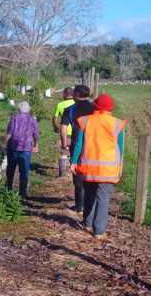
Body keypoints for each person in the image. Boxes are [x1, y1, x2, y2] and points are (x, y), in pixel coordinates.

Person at [70, 94, 125, 239]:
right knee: (103, 198)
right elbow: (120, 148)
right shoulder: (118, 124)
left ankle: (87, 223)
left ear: (95, 106)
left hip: (88, 167)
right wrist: (120, 166)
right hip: (108, 168)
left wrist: (73, 161)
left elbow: (79, 144)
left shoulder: (85, 121)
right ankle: (99, 231)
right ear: (111, 108)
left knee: (89, 193)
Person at [60, 85, 95, 217]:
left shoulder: (70, 109)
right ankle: (90, 204)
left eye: (74, 93)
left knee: (78, 174)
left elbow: (63, 128)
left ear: (77, 94)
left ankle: (80, 206)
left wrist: (64, 144)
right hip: (93, 144)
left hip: (76, 143)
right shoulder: (94, 108)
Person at [3, 101, 40, 198]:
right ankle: (22, 192)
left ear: (19, 109)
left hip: (13, 147)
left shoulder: (14, 118)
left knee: (11, 167)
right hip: (26, 149)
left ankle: (8, 187)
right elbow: (36, 134)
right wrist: (36, 145)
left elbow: (9, 132)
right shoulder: (33, 120)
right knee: (24, 171)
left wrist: (5, 143)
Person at [53, 87, 75, 177]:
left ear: (64, 94)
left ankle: (62, 172)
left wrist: (55, 127)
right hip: (76, 132)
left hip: (65, 132)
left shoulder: (60, 105)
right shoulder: (76, 104)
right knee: (75, 151)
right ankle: (74, 170)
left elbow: (55, 118)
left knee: (64, 152)